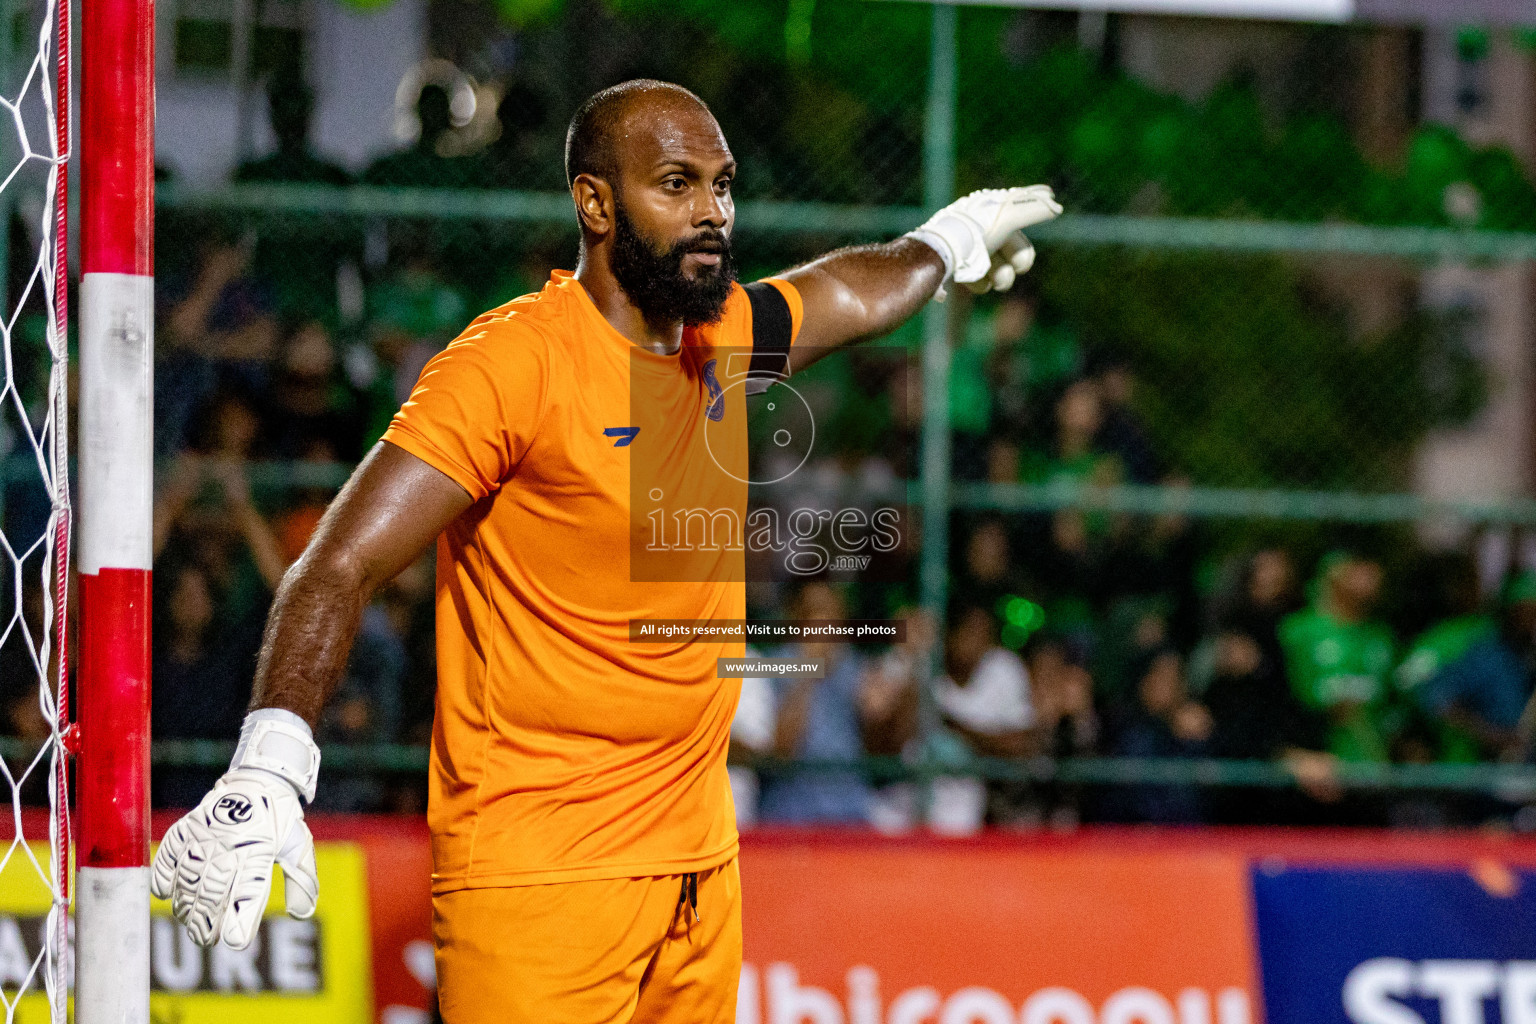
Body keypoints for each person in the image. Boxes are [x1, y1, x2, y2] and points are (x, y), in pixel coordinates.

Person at [150, 78, 1059, 1024]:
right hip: (540, 878)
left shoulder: (723, 336)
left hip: (698, 868)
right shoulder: (514, 365)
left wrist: (948, 241)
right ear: (594, 201)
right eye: (676, 183)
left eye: (722, 184)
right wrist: (268, 765)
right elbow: (337, 564)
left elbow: (848, 294)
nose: (712, 211)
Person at [1279, 551, 1396, 763]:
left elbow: (1392, 702)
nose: (1369, 577)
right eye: (1358, 568)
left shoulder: (1381, 635)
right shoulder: (1296, 630)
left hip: (1374, 765)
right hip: (1315, 765)